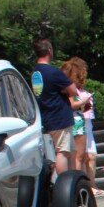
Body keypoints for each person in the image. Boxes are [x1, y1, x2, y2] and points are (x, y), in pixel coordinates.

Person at [32, 39, 80, 177]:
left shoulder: (35, 72)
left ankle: (72, 179)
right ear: (49, 50)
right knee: (63, 151)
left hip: (47, 115)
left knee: (71, 150)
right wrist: (64, 90)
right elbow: (74, 91)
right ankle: (64, 182)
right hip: (59, 117)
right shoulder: (53, 71)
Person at [60, 57, 96, 183]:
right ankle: (78, 182)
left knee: (73, 156)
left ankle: (76, 182)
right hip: (77, 120)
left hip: (69, 120)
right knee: (79, 157)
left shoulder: (61, 89)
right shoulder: (71, 88)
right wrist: (84, 101)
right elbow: (73, 104)